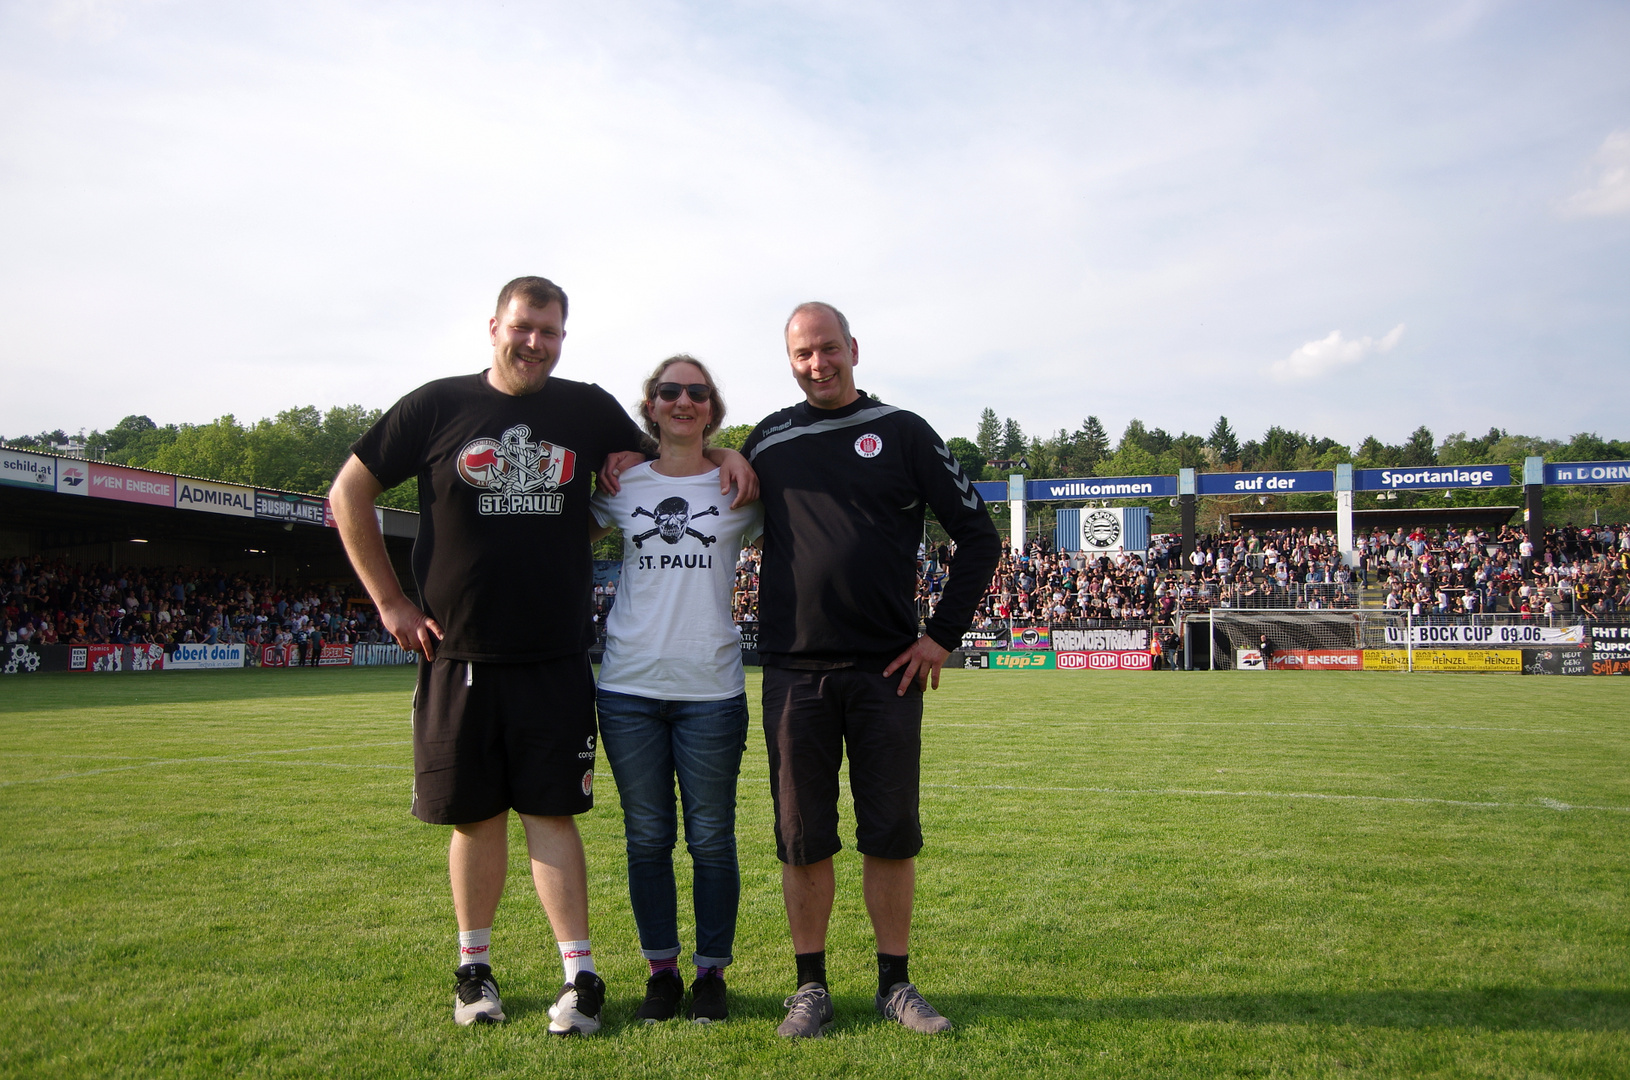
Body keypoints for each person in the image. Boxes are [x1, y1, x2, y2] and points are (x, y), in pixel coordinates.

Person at [329, 277, 754, 1034]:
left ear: (564, 337)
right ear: (494, 325)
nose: (536, 343)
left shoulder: (584, 407)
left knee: (553, 814)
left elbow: (665, 450)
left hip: (556, 657)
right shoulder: (435, 405)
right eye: (525, 328)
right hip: (457, 651)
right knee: (475, 818)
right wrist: (391, 603)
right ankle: (474, 970)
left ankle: (580, 976)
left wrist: (721, 448)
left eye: (551, 332)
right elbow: (348, 492)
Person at [743, 301, 1001, 1038]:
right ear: (789, 360)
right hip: (794, 671)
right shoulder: (768, 438)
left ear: (854, 348)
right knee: (803, 836)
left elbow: (978, 537)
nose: (817, 364)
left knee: (890, 833)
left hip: (889, 670)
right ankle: (811, 989)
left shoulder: (904, 432)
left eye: (828, 349)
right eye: (802, 354)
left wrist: (941, 636)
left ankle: (894, 984)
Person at [590, 356, 763, 1025]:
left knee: (713, 839)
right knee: (647, 839)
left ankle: (711, 974)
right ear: (652, 406)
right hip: (628, 686)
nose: (682, 400)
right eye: (670, 391)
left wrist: (734, 453)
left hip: (711, 689)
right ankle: (661, 971)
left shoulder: (739, 486)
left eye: (696, 392)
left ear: (711, 408)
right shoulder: (620, 484)